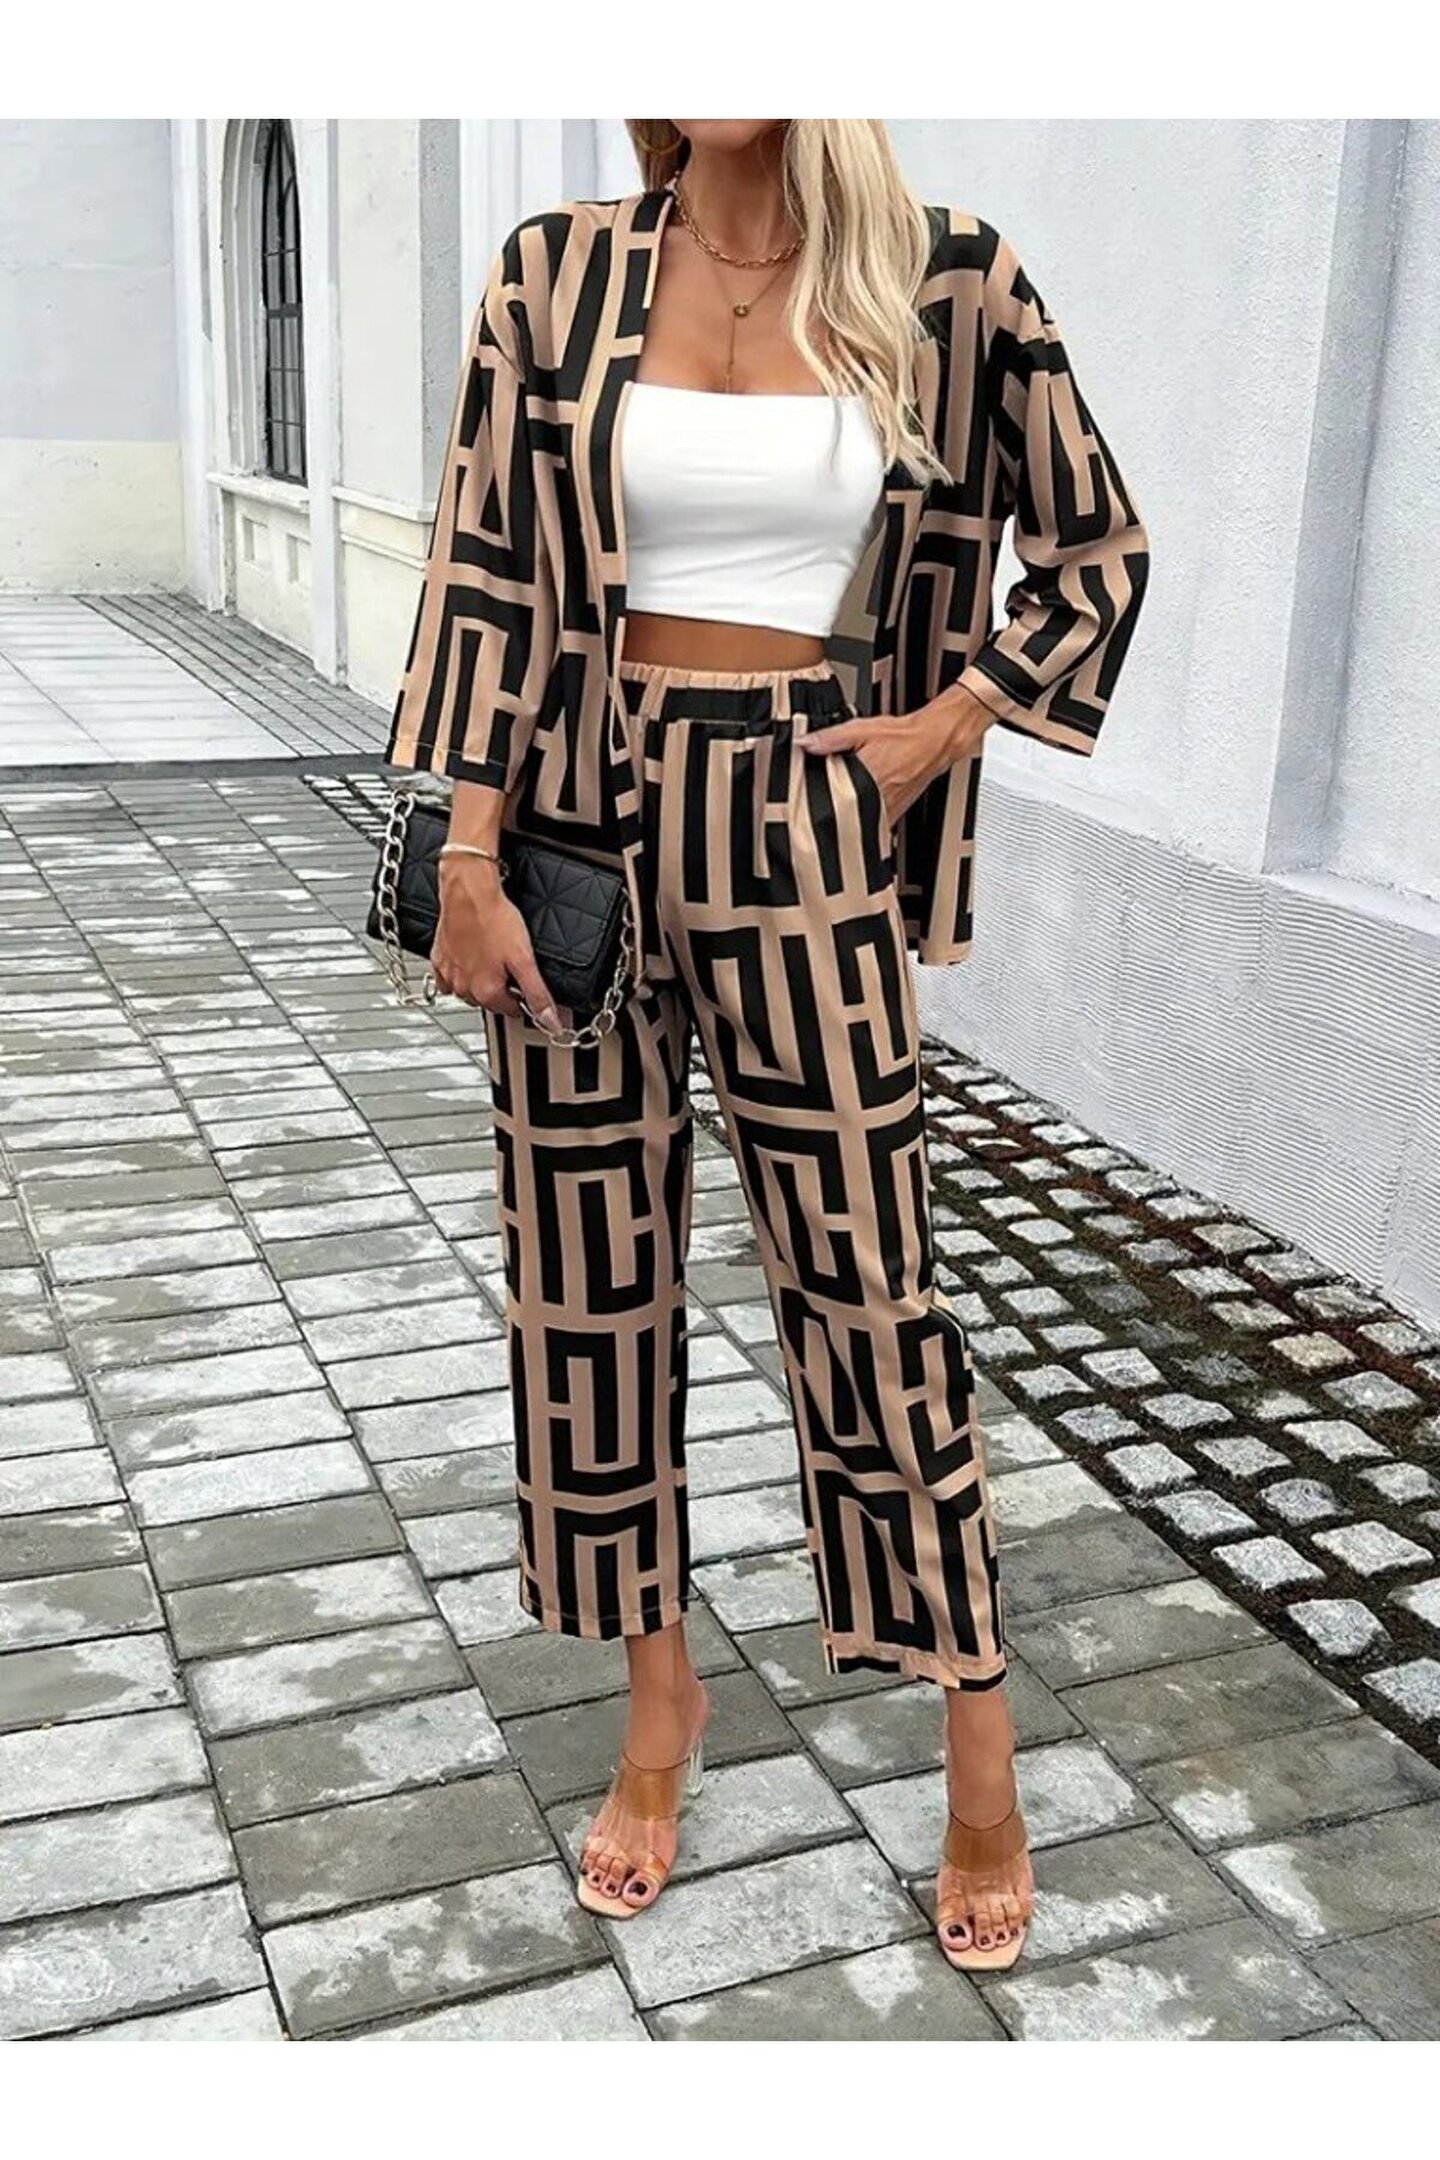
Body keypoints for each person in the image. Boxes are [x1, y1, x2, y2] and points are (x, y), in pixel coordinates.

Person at [385, 118, 1150, 1973]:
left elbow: (1097, 553)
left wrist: (940, 727)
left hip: (804, 806)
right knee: (587, 1283)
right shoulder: (555, 270)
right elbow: (488, 569)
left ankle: (979, 1737)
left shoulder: (950, 276)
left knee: (871, 1286)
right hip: (570, 827)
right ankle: (661, 1705)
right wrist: (465, 856)